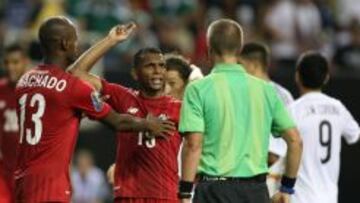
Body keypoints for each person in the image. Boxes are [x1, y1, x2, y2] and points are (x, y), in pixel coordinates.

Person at [14, 16, 174, 203]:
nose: (77, 44)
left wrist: (111, 40)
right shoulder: (72, 88)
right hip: (50, 185)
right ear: (65, 43)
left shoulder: (24, 81)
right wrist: (147, 124)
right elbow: (117, 121)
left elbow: (54, 109)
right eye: (75, 39)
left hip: (22, 181)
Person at [178, 19, 303, 203]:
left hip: (213, 192)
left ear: (209, 50)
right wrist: (287, 188)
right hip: (256, 192)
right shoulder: (266, 90)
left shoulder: (198, 89)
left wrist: (185, 193)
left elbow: (193, 145)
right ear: (239, 49)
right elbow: (295, 141)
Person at [69, 46, 182, 202]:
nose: (157, 71)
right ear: (135, 73)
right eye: (150, 66)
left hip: (165, 195)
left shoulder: (179, 108)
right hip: (128, 194)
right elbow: (75, 73)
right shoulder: (123, 97)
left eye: (161, 66)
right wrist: (111, 40)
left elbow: (195, 149)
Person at [290, 52, 360, 203]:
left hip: (300, 197)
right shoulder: (338, 107)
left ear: (297, 76)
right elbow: (354, 134)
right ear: (326, 77)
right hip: (328, 197)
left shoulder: (293, 110)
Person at [239, 42, 294, 196]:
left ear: (253, 65)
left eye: (240, 64)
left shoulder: (253, 93)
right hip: (279, 173)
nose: (238, 69)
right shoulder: (285, 94)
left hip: (261, 173)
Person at [0, 44, 30, 202]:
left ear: (25, 62)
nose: (10, 67)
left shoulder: (36, 90)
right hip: (4, 172)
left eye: (15, 62)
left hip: (29, 172)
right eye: (7, 63)